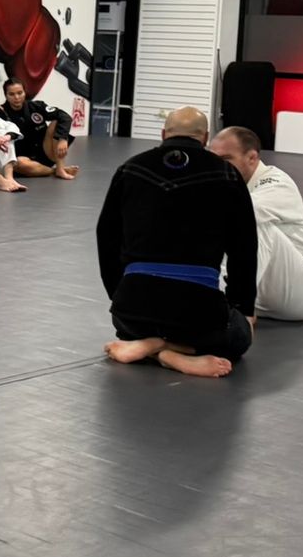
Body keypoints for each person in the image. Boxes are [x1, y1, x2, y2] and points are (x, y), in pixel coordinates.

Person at [97, 106, 258, 379]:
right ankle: (171, 352)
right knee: (240, 335)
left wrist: (119, 294)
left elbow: (107, 237)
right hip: (198, 317)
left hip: (132, 316)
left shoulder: (130, 169)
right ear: (205, 138)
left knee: (135, 326)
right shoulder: (227, 174)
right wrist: (242, 307)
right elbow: (244, 248)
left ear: (163, 134)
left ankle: (153, 346)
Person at [210, 125, 303, 322]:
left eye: (226, 159)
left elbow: (235, 214)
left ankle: (231, 311)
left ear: (252, 158)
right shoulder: (226, 184)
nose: (217, 166)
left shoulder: (277, 183)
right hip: (262, 292)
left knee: (251, 222)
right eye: (213, 159)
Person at [0, 79, 79, 180]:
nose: (17, 97)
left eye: (20, 93)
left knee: (56, 121)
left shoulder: (37, 106)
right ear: (6, 95)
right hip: (23, 160)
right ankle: (54, 171)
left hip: (46, 152)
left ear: (25, 92)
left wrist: (62, 138)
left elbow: (65, 117)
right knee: (19, 163)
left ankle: (60, 168)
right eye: (12, 94)